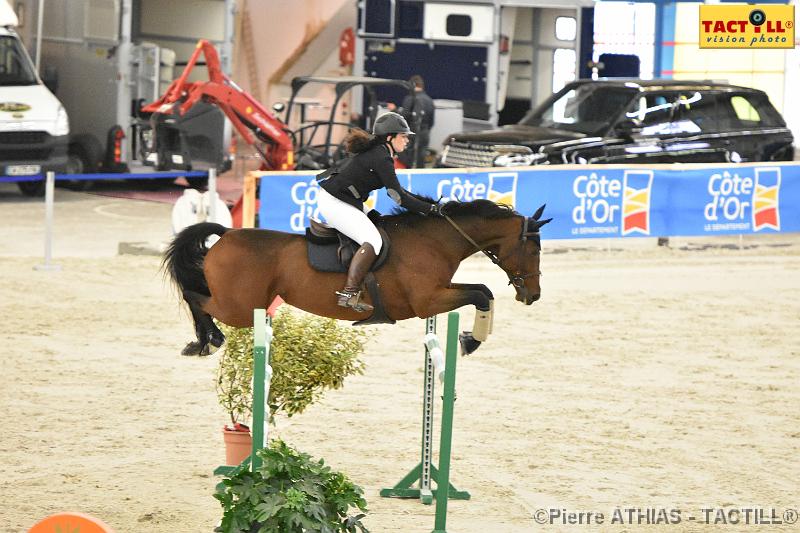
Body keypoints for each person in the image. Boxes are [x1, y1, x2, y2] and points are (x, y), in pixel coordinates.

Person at [316, 112, 441, 313]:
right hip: (335, 202)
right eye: (404, 136)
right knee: (374, 241)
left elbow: (399, 191)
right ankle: (349, 292)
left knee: (378, 221)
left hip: (345, 199)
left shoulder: (380, 152)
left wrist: (428, 207)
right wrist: (430, 209)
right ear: (390, 137)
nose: (407, 140)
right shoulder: (381, 157)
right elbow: (398, 197)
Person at [390, 75, 435, 168]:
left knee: (407, 161)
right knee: (420, 160)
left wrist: (394, 110)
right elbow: (431, 121)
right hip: (424, 135)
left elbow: (403, 118)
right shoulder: (430, 100)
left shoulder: (410, 99)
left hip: (411, 135)